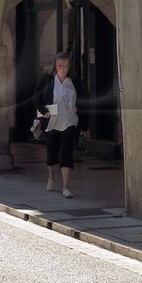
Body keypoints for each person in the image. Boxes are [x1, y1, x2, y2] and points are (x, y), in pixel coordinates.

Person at [33, 52, 84, 198]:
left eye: (65, 66)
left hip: (69, 120)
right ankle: (51, 177)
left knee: (67, 151)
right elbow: (36, 97)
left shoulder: (74, 81)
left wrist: (85, 124)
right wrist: (44, 112)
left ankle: (66, 187)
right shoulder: (47, 79)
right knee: (52, 152)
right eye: (60, 65)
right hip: (52, 121)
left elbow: (83, 101)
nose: (63, 68)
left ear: (70, 66)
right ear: (55, 66)